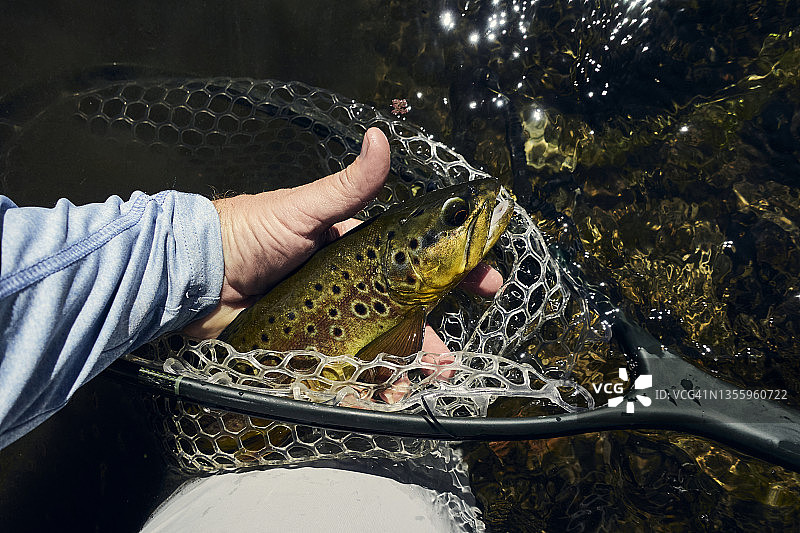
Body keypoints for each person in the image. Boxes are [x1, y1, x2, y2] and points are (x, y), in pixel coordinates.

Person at [0, 127, 503, 450]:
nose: (476, 212)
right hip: (221, 422)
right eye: (458, 218)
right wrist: (203, 255)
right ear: (405, 266)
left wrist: (207, 256)